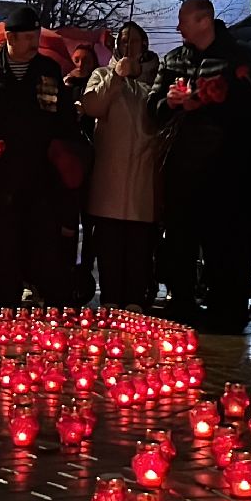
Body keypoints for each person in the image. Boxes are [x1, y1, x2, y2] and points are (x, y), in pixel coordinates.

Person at [150, 0, 251, 332]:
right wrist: (169, 102)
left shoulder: (236, 56)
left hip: (227, 167)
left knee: (225, 240)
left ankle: (227, 308)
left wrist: (214, 101)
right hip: (183, 164)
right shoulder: (174, 59)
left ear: (204, 21)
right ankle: (181, 301)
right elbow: (152, 107)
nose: (177, 27)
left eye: (183, 20)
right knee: (181, 236)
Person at [0, 7, 78, 309]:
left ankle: (45, 298)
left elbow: (62, 121)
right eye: (27, 37)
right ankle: (1, 304)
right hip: (1, 170)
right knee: (2, 242)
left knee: (41, 240)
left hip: (40, 171)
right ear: (10, 38)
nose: (34, 42)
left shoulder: (47, 70)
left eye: (37, 35)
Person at [80, 21, 160, 310]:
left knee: (138, 249)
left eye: (135, 41)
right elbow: (93, 107)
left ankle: (136, 300)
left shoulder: (154, 82)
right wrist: (115, 77)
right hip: (110, 181)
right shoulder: (102, 74)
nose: (129, 46)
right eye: (124, 41)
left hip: (142, 177)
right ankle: (111, 298)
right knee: (110, 247)